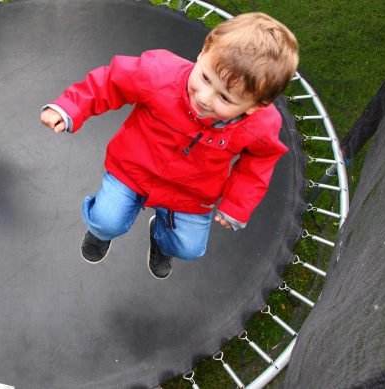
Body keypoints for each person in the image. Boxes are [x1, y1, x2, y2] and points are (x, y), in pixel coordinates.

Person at [40, 12, 298, 280]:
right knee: (106, 220)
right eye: (206, 78)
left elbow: (260, 160)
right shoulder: (159, 73)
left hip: (191, 193)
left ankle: (162, 241)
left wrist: (237, 203)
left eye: (225, 97)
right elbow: (110, 82)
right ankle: (100, 234)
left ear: (256, 105)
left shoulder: (260, 125)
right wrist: (69, 107)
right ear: (203, 51)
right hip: (132, 169)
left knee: (188, 248)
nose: (205, 98)